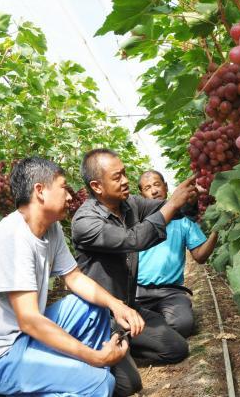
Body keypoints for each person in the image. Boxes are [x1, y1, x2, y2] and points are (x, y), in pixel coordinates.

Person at [0, 157, 145, 397]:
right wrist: (95, 358)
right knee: (100, 384)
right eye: (64, 187)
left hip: (22, 335)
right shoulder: (13, 238)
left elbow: (75, 278)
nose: (70, 196)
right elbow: (29, 320)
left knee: (92, 306)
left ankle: (73, 376)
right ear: (40, 191)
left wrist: (117, 305)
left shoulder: (51, 228)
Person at [71, 149, 198, 396]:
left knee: (177, 348)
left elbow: (165, 209)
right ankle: (95, 354)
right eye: (117, 177)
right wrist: (173, 204)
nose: (126, 180)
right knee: (129, 386)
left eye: (125, 174)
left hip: (129, 308)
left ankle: (124, 348)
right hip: (101, 315)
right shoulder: (85, 222)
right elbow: (134, 239)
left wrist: (193, 197)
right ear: (97, 186)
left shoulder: (130, 204)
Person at [136, 170, 218, 338]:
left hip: (171, 292)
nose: (154, 191)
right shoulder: (137, 219)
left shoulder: (183, 220)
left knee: (183, 325)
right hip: (138, 291)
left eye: (157, 185)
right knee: (122, 321)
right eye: (147, 188)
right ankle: (155, 326)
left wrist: (217, 231)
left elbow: (200, 257)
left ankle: (152, 327)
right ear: (141, 194)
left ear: (166, 187)